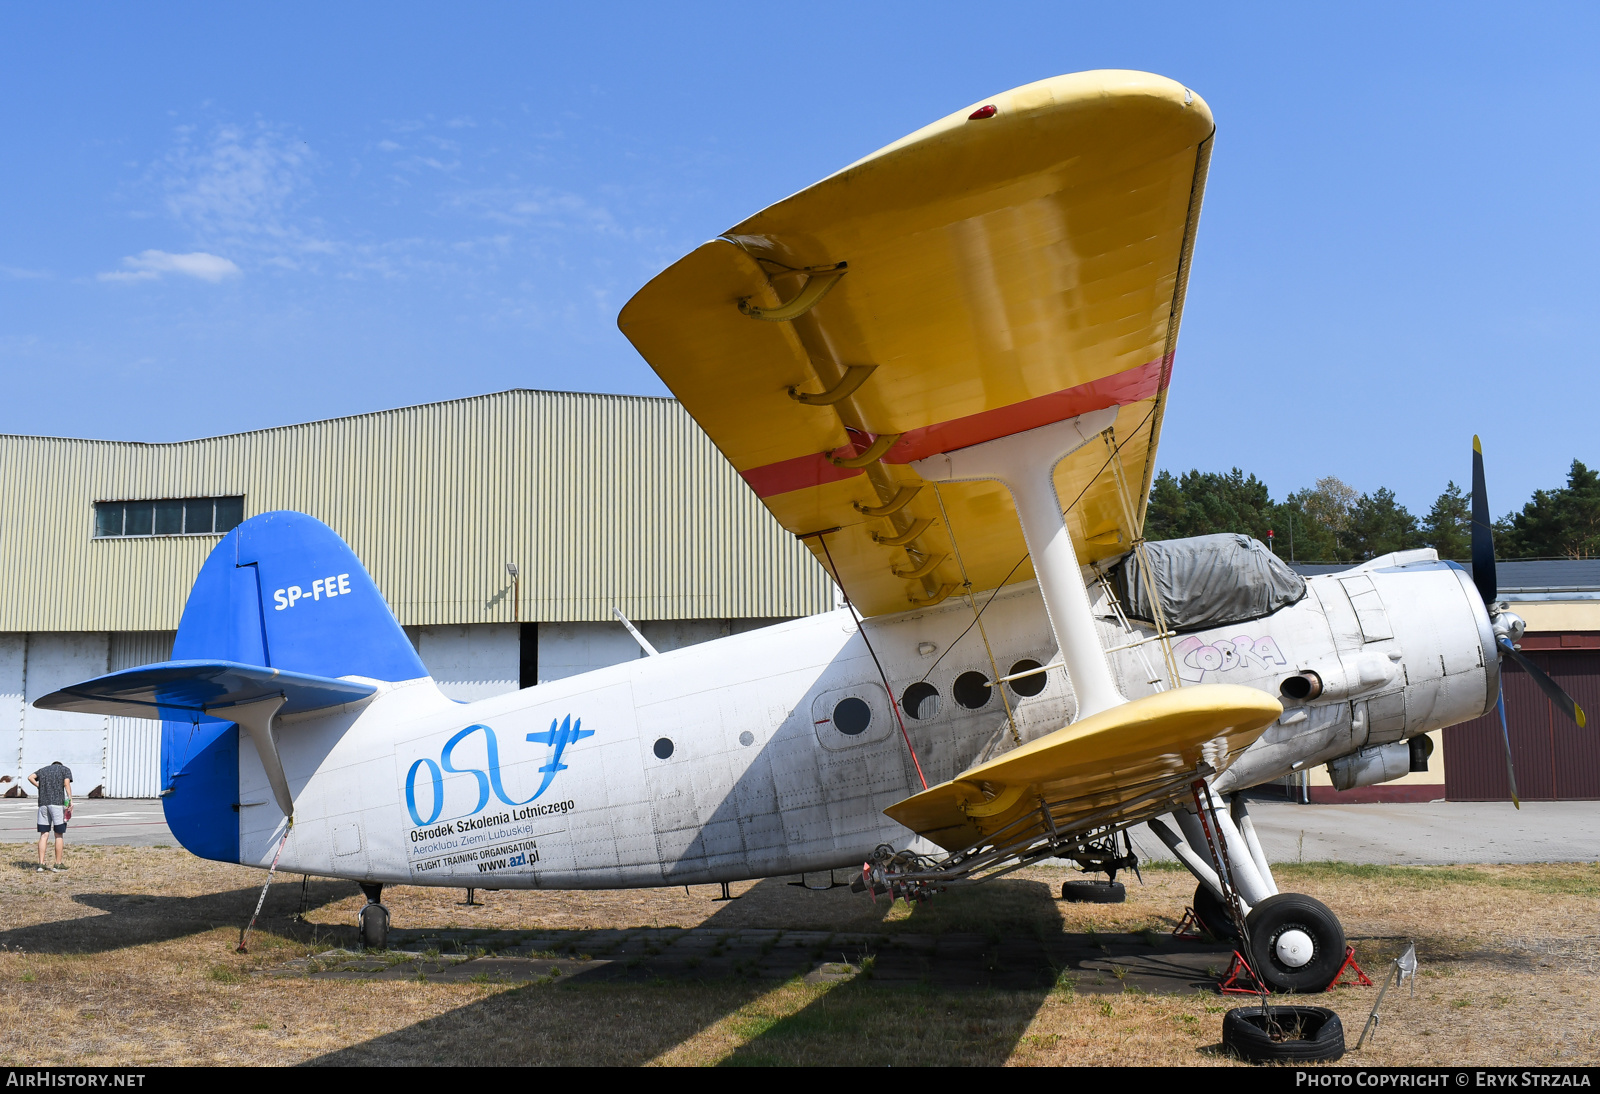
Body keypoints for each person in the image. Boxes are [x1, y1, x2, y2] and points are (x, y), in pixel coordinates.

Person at [28, 760, 72, 873]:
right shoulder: (65, 770)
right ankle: (57, 864)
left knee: (44, 834)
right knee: (58, 834)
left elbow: (30, 777)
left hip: (43, 804)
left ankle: (41, 864)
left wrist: (39, 786)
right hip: (57, 804)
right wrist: (70, 799)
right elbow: (66, 783)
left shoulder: (43, 770)